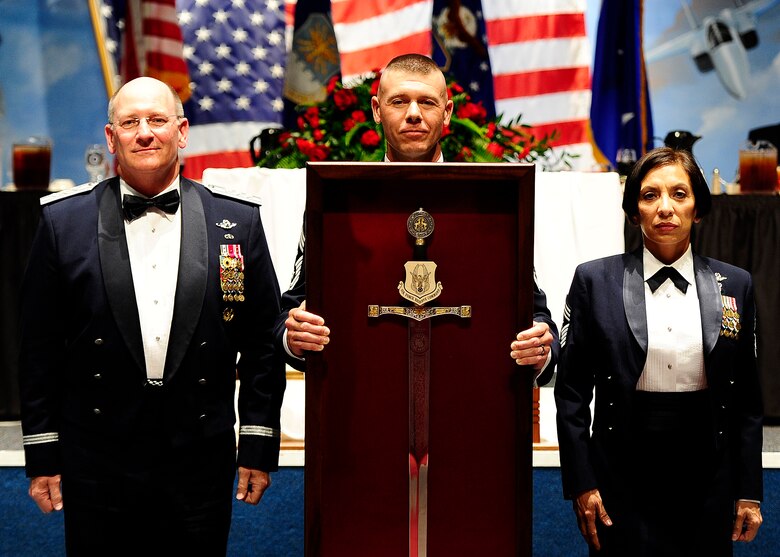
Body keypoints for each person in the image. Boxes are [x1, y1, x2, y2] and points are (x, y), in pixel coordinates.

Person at [18, 77, 286, 556]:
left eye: (157, 120)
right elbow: (38, 348)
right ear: (110, 136)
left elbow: (263, 344)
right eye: (131, 122)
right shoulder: (63, 224)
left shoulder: (238, 222)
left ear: (181, 132)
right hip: (96, 459)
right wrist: (42, 453)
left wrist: (259, 443)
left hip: (200, 458)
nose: (145, 133)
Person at [277, 53, 558, 381]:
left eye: (426, 102)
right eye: (398, 101)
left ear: (447, 112)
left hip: (470, 394)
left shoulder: (492, 202)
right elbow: (294, 310)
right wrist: (294, 337)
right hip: (363, 396)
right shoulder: (338, 200)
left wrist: (539, 347)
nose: (413, 114)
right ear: (376, 111)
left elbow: (535, 313)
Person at [554, 146, 763, 556]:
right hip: (620, 466)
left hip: (709, 469)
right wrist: (582, 481)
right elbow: (572, 394)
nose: (665, 207)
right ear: (634, 211)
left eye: (679, 194)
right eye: (650, 195)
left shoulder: (736, 284)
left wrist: (749, 490)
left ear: (698, 209)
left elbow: (748, 400)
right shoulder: (594, 281)